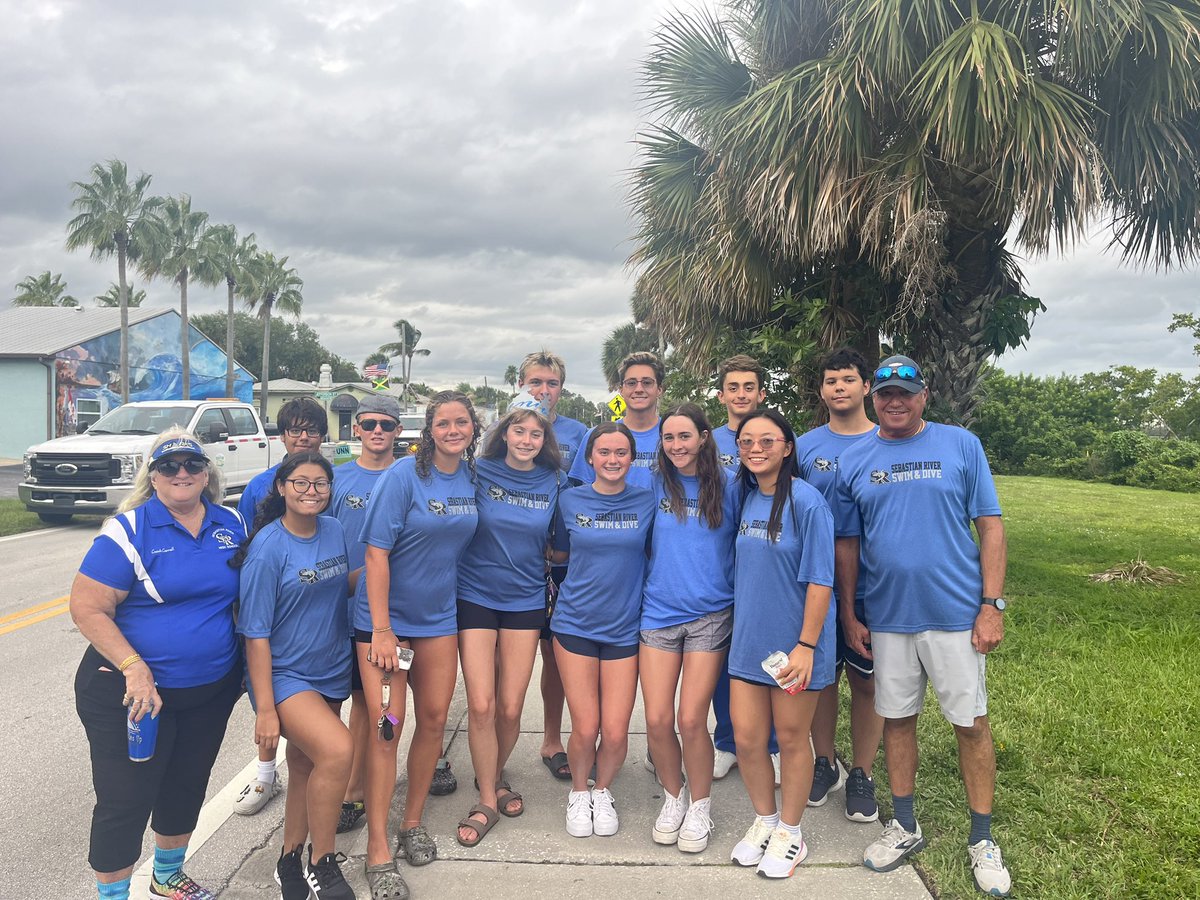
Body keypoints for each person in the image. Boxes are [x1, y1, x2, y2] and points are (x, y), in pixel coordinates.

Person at [835, 356, 1011, 897]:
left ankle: (981, 838)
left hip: (956, 615)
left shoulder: (961, 445)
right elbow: (848, 545)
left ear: (923, 396)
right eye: (885, 392)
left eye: (904, 393)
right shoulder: (855, 460)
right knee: (898, 721)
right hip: (888, 617)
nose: (894, 401)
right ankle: (905, 826)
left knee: (970, 723)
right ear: (873, 396)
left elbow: (991, 526)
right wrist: (848, 612)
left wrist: (991, 605)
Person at [71, 430, 246, 900]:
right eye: (169, 466)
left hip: (209, 691)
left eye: (191, 464)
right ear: (153, 476)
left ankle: (167, 875)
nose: (182, 473)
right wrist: (134, 666)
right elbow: (87, 608)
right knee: (125, 799)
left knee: (186, 785)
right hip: (131, 694)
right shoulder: (128, 530)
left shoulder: (231, 523)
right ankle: (113, 895)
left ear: (207, 474)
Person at [356, 391, 481, 897]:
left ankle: (411, 824)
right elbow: (375, 555)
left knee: (433, 721)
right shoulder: (403, 476)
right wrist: (383, 630)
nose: (454, 430)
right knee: (388, 727)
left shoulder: (472, 479)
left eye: (462, 422)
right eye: (444, 423)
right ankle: (377, 847)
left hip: (439, 621)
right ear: (428, 430)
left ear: (473, 428)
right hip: (386, 626)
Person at [234, 452, 356, 900]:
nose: (311, 491)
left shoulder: (336, 530)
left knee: (306, 764)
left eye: (320, 484)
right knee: (339, 751)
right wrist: (265, 709)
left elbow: (339, 583)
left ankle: (288, 858)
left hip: (329, 666)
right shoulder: (269, 546)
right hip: (285, 674)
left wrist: (390, 562)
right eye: (301, 483)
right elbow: (255, 634)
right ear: (282, 487)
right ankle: (322, 864)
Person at [727, 410, 835, 879]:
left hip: (796, 648)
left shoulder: (807, 503)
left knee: (792, 740)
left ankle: (792, 832)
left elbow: (820, 581)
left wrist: (806, 646)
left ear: (787, 447)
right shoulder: (747, 497)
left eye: (767, 440)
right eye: (747, 440)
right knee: (749, 740)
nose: (756, 448)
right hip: (749, 644)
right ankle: (765, 821)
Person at [455, 403, 564, 847]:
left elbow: (562, 544)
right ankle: (485, 797)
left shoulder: (553, 481)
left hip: (524, 601)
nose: (526, 440)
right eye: (519, 431)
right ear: (505, 434)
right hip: (475, 595)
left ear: (544, 441)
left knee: (511, 707)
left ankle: (496, 775)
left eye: (535, 435)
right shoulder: (479, 472)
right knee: (480, 705)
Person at [640, 404, 739, 853]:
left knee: (691, 718)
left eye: (684, 436)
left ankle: (701, 805)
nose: (676, 445)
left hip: (711, 616)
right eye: (668, 438)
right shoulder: (653, 482)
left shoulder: (731, 484)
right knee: (658, 720)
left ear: (704, 436)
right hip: (658, 613)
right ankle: (673, 797)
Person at [553, 422, 656, 838]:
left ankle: (602, 790)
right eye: (604, 453)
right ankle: (579, 792)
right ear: (590, 458)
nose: (612, 460)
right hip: (575, 623)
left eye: (620, 453)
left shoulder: (647, 502)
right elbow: (557, 553)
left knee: (615, 731)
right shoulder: (569, 501)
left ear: (632, 459)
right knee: (586, 727)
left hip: (624, 629)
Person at [795, 348, 884, 823]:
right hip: (814, 585)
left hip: (873, 584)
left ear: (865, 386)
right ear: (822, 390)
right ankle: (824, 762)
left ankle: (863, 773)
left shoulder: (885, 441)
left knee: (866, 682)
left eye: (848, 379)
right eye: (831, 381)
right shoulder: (806, 446)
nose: (839, 388)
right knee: (821, 678)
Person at [233, 395, 329, 815]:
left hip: (317, 601)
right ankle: (265, 774)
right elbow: (245, 546)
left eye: (311, 429)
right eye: (294, 429)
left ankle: (311, 787)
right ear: (282, 435)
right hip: (274, 604)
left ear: (323, 436)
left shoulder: (329, 480)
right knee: (272, 700)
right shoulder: (260, 485)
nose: (303, 436)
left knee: (315, 723)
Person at [325, 393, 401, 836]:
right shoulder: (337, 480)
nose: (377, 431)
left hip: (396, 612)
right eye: (369, 423)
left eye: (386, 425)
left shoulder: (410, 475)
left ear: (397, 431)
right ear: (356, 429)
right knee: (348, 702)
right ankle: (347, 783)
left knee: (386, 705)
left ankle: (357, 789)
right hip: (345, 608)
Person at [517, 351, 590, 784]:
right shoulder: (505, 428)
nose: (544, 391)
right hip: (516, 561)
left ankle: (553, 739)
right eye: (535, 383)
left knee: (557, 655)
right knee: (506, 659)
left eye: (552, 384)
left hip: (564, 562)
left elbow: (584, 493)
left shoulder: (577, 434)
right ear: (522, 384)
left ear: (562, 387)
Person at [708, 354, 778, 782]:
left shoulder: (776, 437)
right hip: (718, 563)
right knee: (722, 659)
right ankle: (728, 742)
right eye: (732, 388)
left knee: (764, 655)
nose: (740, 394)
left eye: (748, 387)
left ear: (761, 393)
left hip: (764, 563)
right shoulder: (709, 442)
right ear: (721, 396)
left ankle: (769, 745)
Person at [568, 351, 663, 489]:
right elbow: (584, 494)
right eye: (631, 383)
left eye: (647, 382)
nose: (639, 389)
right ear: (621, 390)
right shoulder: (597, 436)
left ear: (659, 389)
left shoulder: (672, 438)